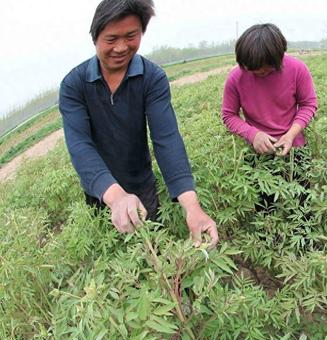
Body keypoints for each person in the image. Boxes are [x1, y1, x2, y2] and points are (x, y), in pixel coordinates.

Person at [59, 0, 218, 246]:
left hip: (142, 185)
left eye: (131, 36)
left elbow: (167, 140)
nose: (121, 47)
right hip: (100, 191)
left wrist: (192, 206)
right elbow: (80, 146)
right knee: (110, 255)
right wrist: (116, 196)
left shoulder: (152, 78)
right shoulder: (74, 85)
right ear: (95, 38)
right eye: (111, 39)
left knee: (150, 250)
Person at [221, 23, 318, 159]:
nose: (259, 72)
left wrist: (291, 134)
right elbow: (229, 115)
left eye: (265, 69)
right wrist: (253, 135)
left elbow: (308, 104)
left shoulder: (297, 69)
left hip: (295, 148)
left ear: (278, 58)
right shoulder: (235, 78)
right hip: (257, 152)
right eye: (251, 69)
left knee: (300, 180)